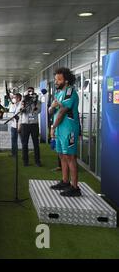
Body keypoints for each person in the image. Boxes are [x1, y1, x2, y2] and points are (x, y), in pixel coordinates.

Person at [49, 67, 81, 197]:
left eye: (59, 79)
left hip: (69, 130)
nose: (56, 81)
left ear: (66, 81)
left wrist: (52, 127)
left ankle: (75, 187)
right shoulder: (58, 94)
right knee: (62, 155)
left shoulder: (70, 92)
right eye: (55, 79)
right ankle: (65, 181)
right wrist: (52, 106)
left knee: (70, 157)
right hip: (60, 129)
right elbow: (52, 111)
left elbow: (62, 111)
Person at [18, 87, 42, 167]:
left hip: (34, 124)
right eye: (28, 91)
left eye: (31, 91)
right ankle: (25, 161)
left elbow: (38, 111)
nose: (30, 93)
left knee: (36, 144)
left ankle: (37, 161)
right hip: (25, 124)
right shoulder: (23, 101)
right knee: (24, 144)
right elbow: (20, 112)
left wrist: (33, 104)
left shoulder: (37, 101)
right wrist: (23, 107)